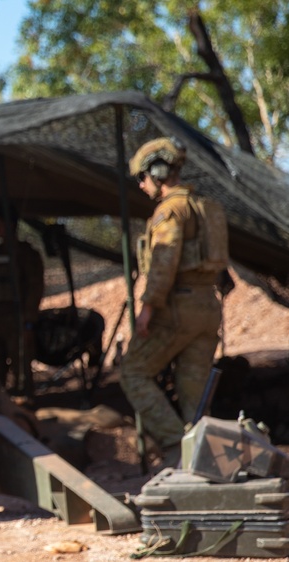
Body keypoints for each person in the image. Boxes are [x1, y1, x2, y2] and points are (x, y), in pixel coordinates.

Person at [120, 137, 229, 467]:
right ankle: (205, 468)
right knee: (196, 403)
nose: (141, 184)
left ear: (157, 172)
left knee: (132, 372)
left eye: (142, 177)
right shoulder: (203, 206)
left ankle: (175, 449)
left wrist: (148, 309)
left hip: (176, 308)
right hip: (207, 308)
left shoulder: (170, 211)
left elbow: (164, 263)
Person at [0, 204, 45, 400]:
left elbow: (35, 289)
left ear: (9, 225)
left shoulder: (26, 254)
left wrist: (28, 322)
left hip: (17, 320)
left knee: (21, 369)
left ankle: (24, 407)